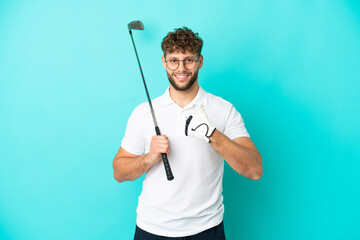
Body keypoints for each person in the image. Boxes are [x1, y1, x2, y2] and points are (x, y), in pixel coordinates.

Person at [113, 27, 263, 240]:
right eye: (174, 60)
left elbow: (254, 169)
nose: (181, 68)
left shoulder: (223, 109)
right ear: (164, 62)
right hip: (152, 229)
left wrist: (212, 134)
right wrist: (149, 158)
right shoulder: (144, 112)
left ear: (200, 61)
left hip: (207, 229)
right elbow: (118, 172)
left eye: (188, 60)